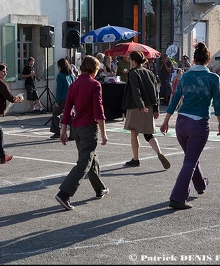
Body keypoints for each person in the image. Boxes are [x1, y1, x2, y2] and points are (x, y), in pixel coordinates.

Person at [160, 42, 220, 210]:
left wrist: (166, 120)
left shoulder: (185, 76)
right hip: (199, 124)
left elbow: (175, 99)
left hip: (181, 123)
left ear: (194, 60)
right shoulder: (213, 78)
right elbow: (218, 102)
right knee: (190, 161)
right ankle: (177, 197)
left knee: (191, 157)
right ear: (208, 59)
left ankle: (201, 185)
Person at [54, 55, 109, 210]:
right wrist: (104, 133)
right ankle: (65, 194)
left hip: (76, 128)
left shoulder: (74, 84)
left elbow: (67, 111)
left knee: (91, 158)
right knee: (84, 162)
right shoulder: (95, 85)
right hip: (89, 127)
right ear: (94, 69)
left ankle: (100, 188)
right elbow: (99, 111)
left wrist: (63, 131)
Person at [122, 51, 171, 170]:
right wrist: (156, 108)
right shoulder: (149, 73)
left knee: (134, 132)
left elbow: (136, 91)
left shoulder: (133, 73)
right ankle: (159, 153)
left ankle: (136, 158)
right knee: (148, 134)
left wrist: (140, 106)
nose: (129, 61)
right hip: (149, 106)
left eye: (130, 59)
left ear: (133, 61)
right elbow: (155, 92)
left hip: (136, 106)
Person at [50, 58, 76, 139]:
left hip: (63, 98)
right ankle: (73, 134)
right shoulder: (71, 75)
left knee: (56, 114)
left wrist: (57, 101)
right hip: (71, 98)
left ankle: (57, 131)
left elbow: (59, 90)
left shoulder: (60, 76)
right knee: (71, 116)